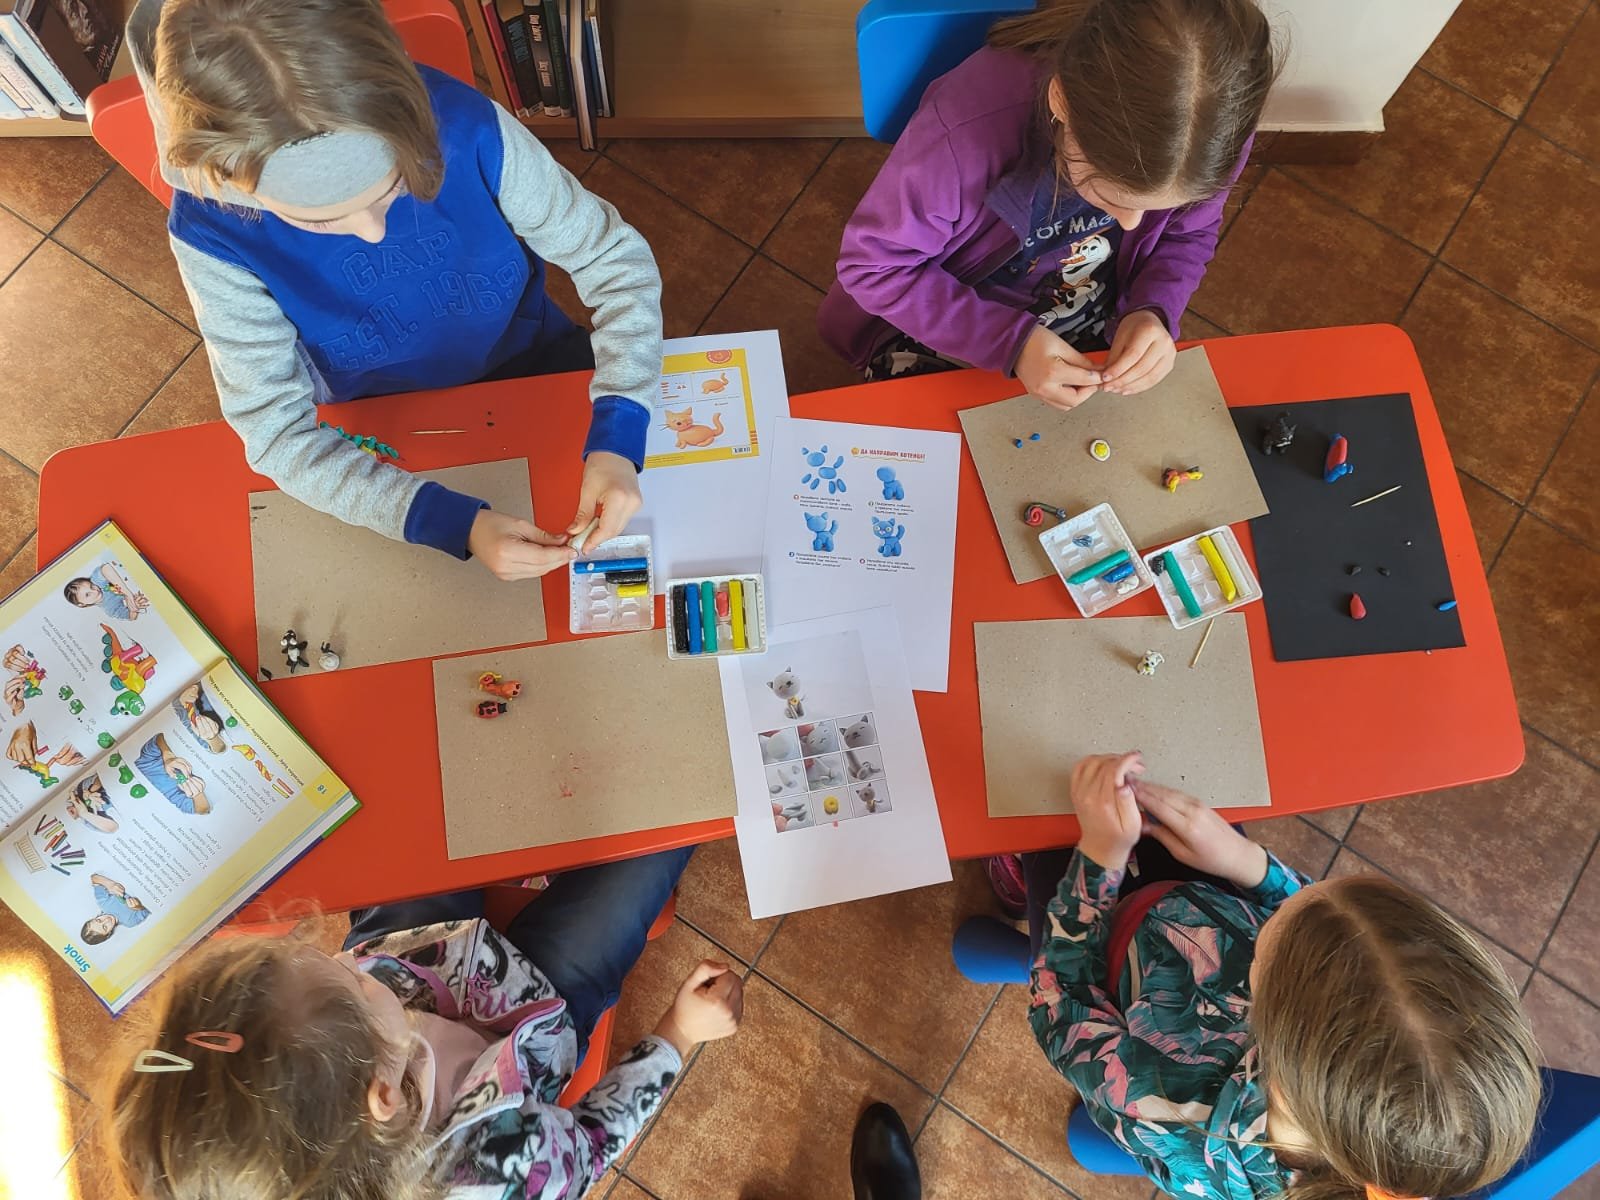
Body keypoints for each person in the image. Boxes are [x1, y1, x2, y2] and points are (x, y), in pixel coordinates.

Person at [128, 0, 663, 578]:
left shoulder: (467, 128)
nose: (373, 232)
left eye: (393, 188)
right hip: (380, 422)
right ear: (231, 178)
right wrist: (452, 522)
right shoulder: (213, 232)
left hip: (536, 365)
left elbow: (614, 260)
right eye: (319, 220)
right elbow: (276, 433)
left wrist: (620, 430)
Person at [1026, 752, 1541, 1199]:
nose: (1304, 892)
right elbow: (1330, 922)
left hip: (1097, 956)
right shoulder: (1392, 1144)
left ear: (1260, 1010)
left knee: (1031, 813)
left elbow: (1058, 1001)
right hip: (1194, 914)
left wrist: (1099, 860)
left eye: (1276, 930)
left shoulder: (1160, 1102)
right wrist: (1249, 864)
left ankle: (1013, 887)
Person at [101, 849, 743, 1199]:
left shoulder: (349, 1040)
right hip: (539, 1021)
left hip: (422, 957)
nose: (345, 961)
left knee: (420, 781)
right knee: (647, 856)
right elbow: (593, 1145)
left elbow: (358, 983)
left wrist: (364, 979)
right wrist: (679, 1033)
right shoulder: (495, 1173)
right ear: (382, 1093)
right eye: (350, 978)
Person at [819, 0, 1276, 410]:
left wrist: (1152, 309)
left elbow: (1188, 233)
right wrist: (1012, 343)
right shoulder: (965, 130)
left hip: (1088, 315)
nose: (1132, 224)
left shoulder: (1210, 132)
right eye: (1111, 197)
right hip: (940, 319)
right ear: (1060, 102)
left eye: (1160, 207)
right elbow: (874, 267)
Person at [84, 873, 152, 944]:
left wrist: (110, 884)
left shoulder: (103, 903)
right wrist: (138, 907)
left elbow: (94, 878)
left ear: (94, 918)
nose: (107, 920)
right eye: (105, 927)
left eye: (99, 920)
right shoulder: (129, 922)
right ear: (108, 934)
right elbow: (147, 911)